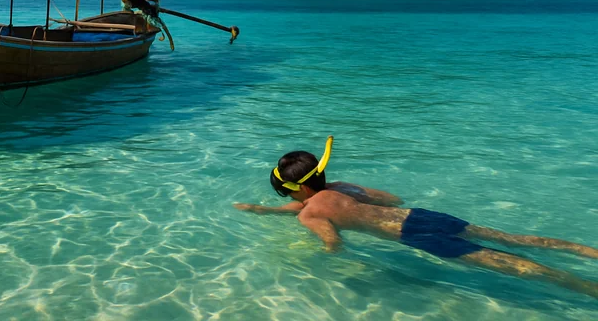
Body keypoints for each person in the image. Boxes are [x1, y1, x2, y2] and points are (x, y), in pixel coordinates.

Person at [234, 136, 598, 299]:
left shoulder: (309, 215)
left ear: (294, 191)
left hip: (413, 238)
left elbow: (334, 243)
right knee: (511, 240)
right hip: (418, 216)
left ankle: (586, 288)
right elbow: (390, 198)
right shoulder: (343, 187)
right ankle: (588, 252)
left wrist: (320, 260)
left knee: (504, 264)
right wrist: (264, 211)